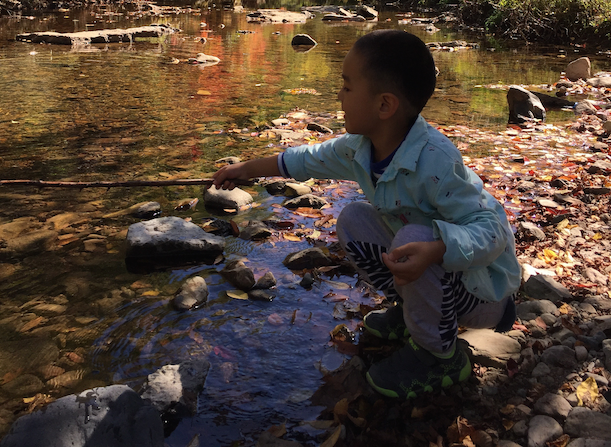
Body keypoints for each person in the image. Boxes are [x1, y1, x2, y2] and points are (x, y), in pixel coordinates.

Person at [212, 30, 521, 400]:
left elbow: (491, 231)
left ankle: (441, 357)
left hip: (482, 292)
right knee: (353, 220)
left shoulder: (435, 161)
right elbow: (304, 159)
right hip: (440, 279)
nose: (339, 96)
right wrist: (246, 168)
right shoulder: (362, 146)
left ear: (384, 106)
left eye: (347, 86)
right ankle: (414, 312)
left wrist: (438, 249)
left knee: (412, 241)